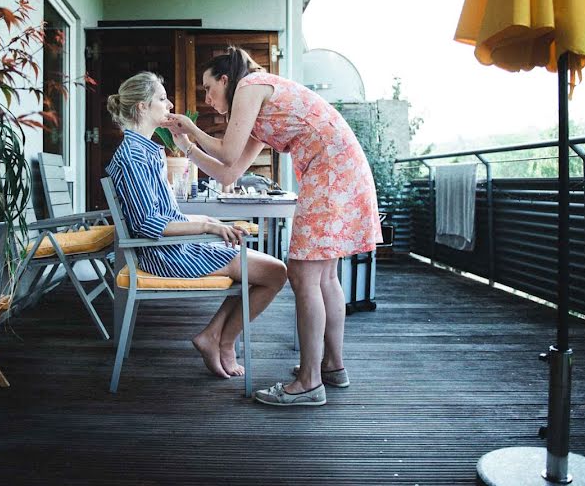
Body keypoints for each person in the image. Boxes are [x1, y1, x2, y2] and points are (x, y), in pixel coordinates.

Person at [165, 47, 381, 407]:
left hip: (330, 173)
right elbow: (228, 172)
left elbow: (228, 153)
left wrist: (191, 128)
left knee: (304, 276)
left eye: (207, 88)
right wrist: (187, 147)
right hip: (341, 170)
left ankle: (309, 383)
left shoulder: (250, 85)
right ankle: (331, 367)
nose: (206, 98)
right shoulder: (257, 105)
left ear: (225, 79)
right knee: (325, 276)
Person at [106, 71, 287, 379]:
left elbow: (168, 215)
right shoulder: (134, 157)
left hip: (173, 248)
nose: (169, 103)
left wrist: (210, 220)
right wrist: (209, 228)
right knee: (276, 273)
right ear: (141, 108)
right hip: (164, 255)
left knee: (263, 269)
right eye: (162, 99)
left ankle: (214, 336)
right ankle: (223, 340)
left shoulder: (146, 152)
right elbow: (150, 225)